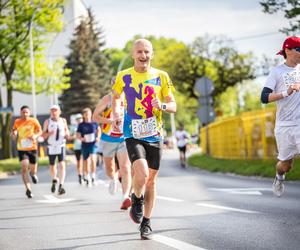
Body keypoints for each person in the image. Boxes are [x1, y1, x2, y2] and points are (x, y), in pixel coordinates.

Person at [112, 38, 176, 239]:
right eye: (139, 52)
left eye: (147, 52)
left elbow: (173, 105)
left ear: (152, 54)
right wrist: (116, 114)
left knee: (151, 181)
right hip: (133, 132)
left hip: (155, 134)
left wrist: (162, 106)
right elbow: (115, 97)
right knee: (141, 170)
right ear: (133, 55)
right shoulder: (123, 76)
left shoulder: (161, 76)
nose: (143, 55)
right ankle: (137, 198)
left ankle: (146, 222)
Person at [260, 36, 300, 197]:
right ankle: (279, 176)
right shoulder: (277, 72)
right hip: (284, 126)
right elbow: (264, 97)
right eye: (299, 50)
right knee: (286, 164)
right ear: (288, 51)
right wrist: (286, 92)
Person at [93, 88, 132, 210]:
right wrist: (111, 121)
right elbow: (95, 117)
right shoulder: (107, 99)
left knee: (125, 167)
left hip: (124, 138)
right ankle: (113, 179)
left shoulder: (130, 98)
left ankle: (126, 196)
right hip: (108, 138)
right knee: (109, 168)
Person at [11, 105, 42, 198]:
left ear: (29, 113)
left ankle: (33, 174)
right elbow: (13, 133)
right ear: (20, 113)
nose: (25, 114)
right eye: (23, 112)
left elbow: (40, 131)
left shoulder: (33, 120)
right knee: (24, 167)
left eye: (26, 112)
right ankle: (28, 189)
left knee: (33, 169)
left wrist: (35, 136)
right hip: (22, 149)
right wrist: (14, 134)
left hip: (32, 148)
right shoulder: (17, 122)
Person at [42, 105, 70, 195]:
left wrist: (67, 134)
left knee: (62, 164)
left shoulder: (63, 120)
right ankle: (54, 179)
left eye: (56, 110)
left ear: (59, 112)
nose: (54, 112)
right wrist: (49, 133)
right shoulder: (47, 121)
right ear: (50, 112)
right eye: (52, 111)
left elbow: (67, 131)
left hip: (61, 145)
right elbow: (43, 135)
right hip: (51, 146)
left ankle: (61, 185)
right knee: (52, 166)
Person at [77, 107, 101, 187]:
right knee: (86, 161)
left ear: (91, 114)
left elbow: (99, 130)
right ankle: (87, 177)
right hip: (85, 144)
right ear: (83, 115)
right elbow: (78, 135)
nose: (87, 116)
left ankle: (93, 176)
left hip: (93, 144)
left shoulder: (94, 123)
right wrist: (81, 138)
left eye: (89, 114)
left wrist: (98, 137)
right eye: (86, 114)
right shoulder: (81, 125)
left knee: (93, 159)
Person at [70, 113, 84, 184]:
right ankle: (79, 175)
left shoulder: (85, 126)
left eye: (80, 118)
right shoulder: (73, 127)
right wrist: (75, 136)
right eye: (78, 119)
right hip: (76, 146)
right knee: (78, 162)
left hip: (84, 145)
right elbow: (70, 137)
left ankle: (85, 174)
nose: (79, 120)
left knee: (84, 161)